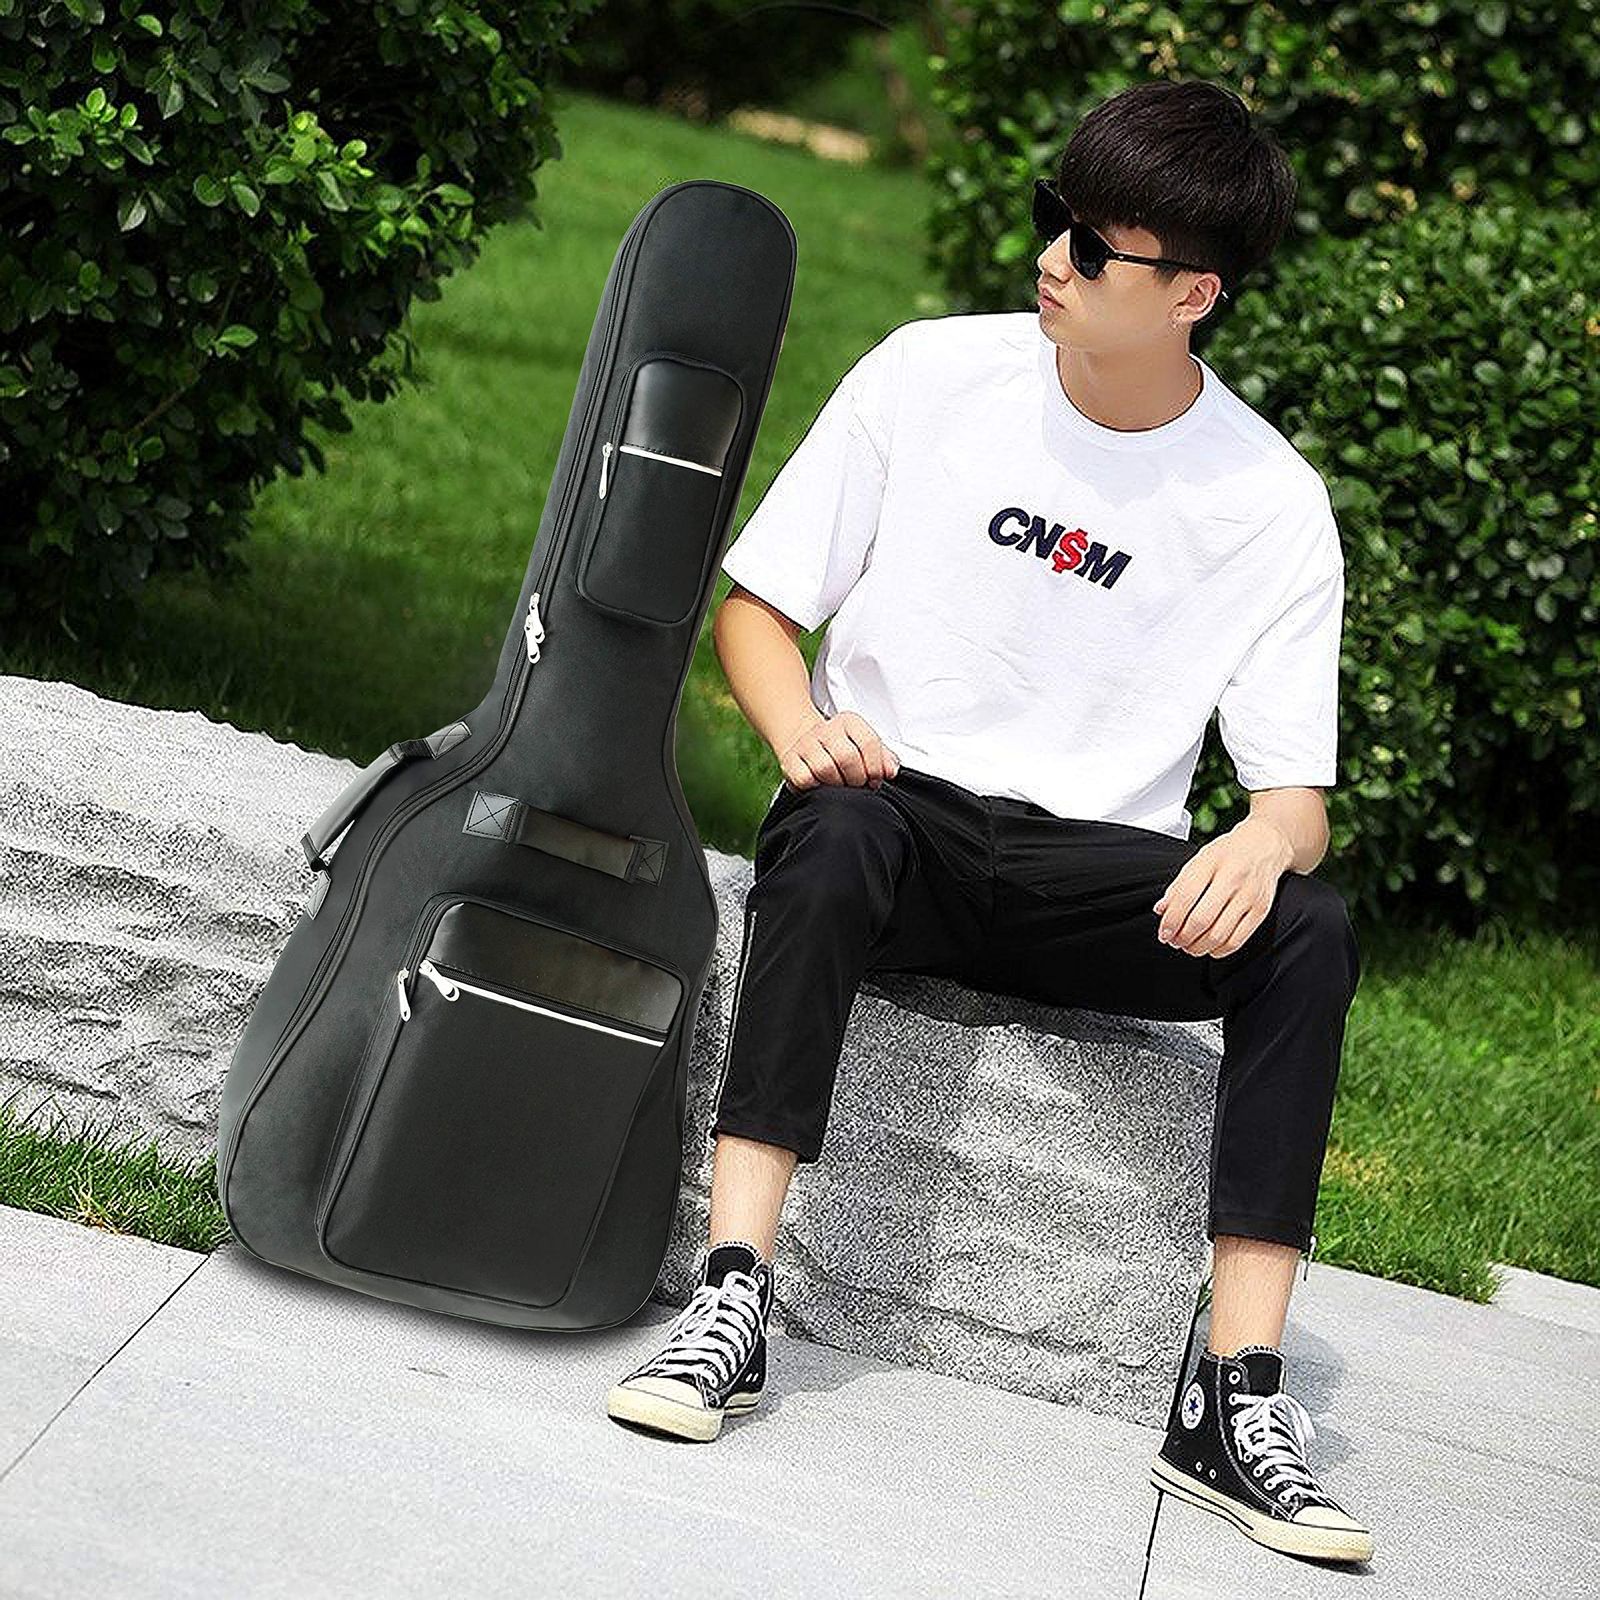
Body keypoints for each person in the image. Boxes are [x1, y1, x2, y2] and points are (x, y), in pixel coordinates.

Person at [605, 78, 1372, 1567]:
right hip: (899, 822)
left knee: (1309, 932)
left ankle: (1234, 1399)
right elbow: (758, 611)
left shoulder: (1268, 500)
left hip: (1094, 874)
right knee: (833, 836)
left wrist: (1264, 842)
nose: (1051, 258)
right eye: (1055, 219)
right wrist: (802, 730)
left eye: (1095, 246)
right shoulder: (930, 375)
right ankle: (731, 1296)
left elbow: (1298, 798)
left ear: (1195, 294)